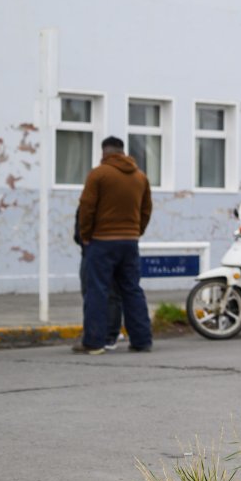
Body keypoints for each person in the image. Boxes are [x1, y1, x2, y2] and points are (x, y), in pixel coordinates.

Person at [74, 136, 154, 354]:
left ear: (104, 153)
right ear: (122, 151)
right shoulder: (140, 176)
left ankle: (94, 342)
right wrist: (137, 231)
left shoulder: (98, 174)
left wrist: (86, 235)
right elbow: (146, 210)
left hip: (101, 242)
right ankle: (141, 341)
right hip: (130, 242)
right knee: (132, 290)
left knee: (97, 291)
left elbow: (87, 207)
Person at [74, 206, 124, 350]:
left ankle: (105, 335)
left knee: (101, 292)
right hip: (103, 247)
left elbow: (82, 219)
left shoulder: (97, 195)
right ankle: (105, 333)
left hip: (97, 248)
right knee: (106, 293)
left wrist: (84, 239)